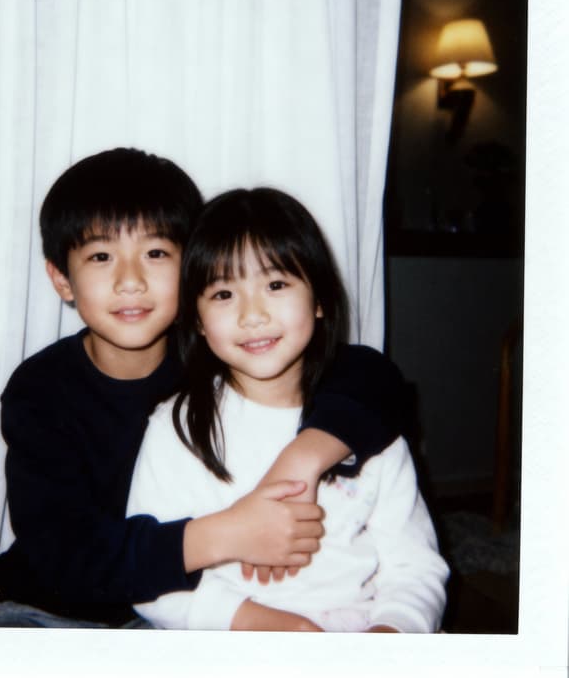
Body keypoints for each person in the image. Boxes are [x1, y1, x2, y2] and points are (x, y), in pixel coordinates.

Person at [0, 149, 408, 628]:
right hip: (50, 607)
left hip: (170, 612)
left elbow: (374, 379)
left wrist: (301, 460)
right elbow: (64, 555)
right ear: (62, 279)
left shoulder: (219, 357)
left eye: (156, 253)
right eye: (101, 256)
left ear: (192, 271)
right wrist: (226, 534)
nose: (130, 281)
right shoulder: (42, 390)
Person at [127, 187, 449, 632]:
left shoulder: (366, 422)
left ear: (318, 299)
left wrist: (392, 632)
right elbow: (155, 585)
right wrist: (279, 628)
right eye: (223, 294)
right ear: (198, 320)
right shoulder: (178, 427)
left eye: (276, 285)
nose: (252, 314)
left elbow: (414, 567)